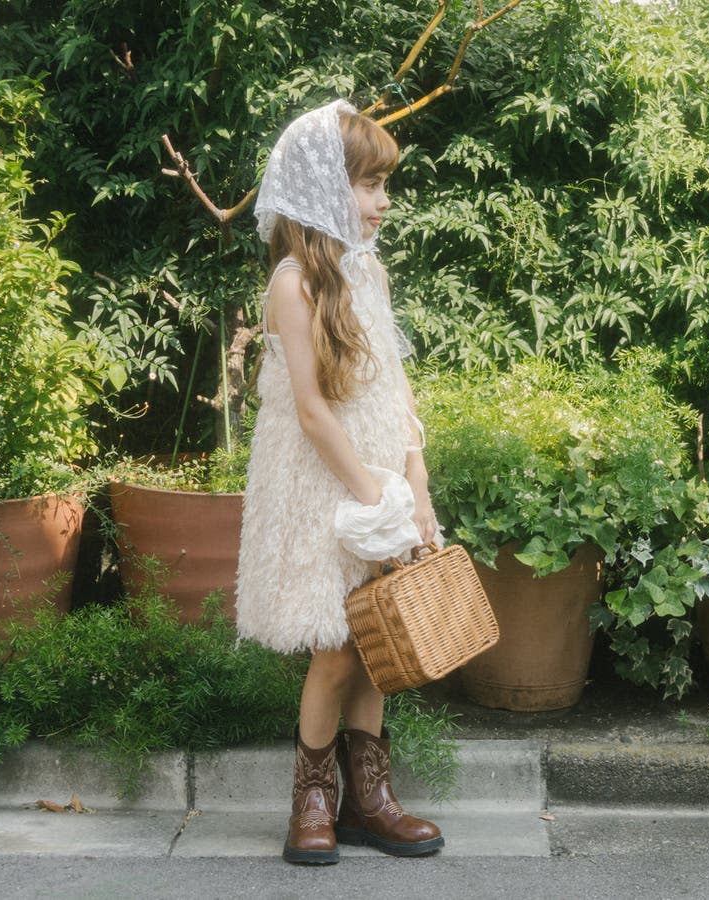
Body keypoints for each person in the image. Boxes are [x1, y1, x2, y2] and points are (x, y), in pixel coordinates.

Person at [236, 99, 443, 865]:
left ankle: (370, 801)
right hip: (326, 486)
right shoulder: (293, 284)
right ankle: (313, 802)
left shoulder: (368, 272)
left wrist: (415, 480)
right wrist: (371, 495)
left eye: (385, 185)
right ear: (325, 186)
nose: (384, 201)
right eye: (370, 185)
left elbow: (395, 385)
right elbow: (313, 411)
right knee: (335, 645)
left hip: (381, 476)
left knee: (377, 636)